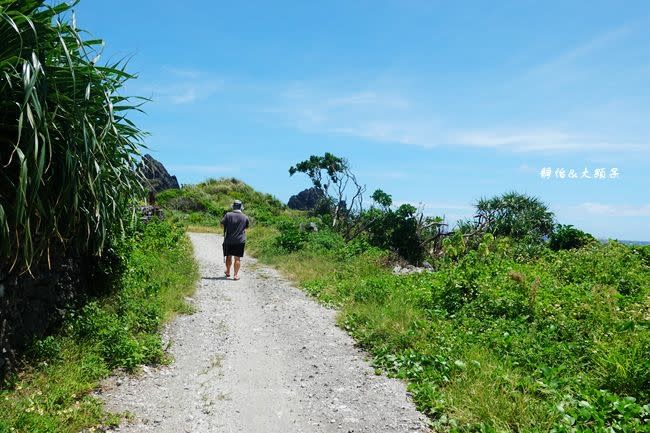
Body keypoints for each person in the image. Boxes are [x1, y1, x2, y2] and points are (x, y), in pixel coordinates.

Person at [220, 200, 250, 280]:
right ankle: (236, 275)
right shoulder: (245, 217)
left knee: (228, 257)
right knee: (237, 258)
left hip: (229, 240)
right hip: (240, 241)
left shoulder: (228, 215)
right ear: (241, 207)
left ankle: (228, 272)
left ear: (233, 206)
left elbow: (222, 225)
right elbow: (246, 227)